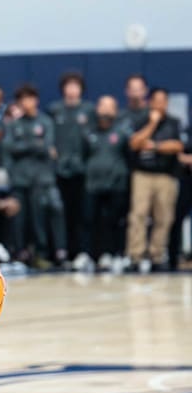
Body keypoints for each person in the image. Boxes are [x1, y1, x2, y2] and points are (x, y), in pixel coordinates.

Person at [4, 84, 67, 267]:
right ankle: (20, 254)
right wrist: (33, 145)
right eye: (22, 99)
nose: (26, 103)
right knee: (19, 219)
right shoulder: (14, 124)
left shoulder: (45, 121)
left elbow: (46, 147)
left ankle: (43, 253)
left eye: (29, 98)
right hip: (20, 179)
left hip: (41, 179)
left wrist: (24, 146)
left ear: (36, 100)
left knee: (41, 218)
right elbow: (9, 148)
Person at [125, 88, 183, 273]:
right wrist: (151, 124)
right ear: (150, 102)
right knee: (138, 215)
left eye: (163, 101)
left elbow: (177, 146)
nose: (159, 104)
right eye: (156, 100)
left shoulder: (174, 122)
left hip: (166, 175)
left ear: (167, 103)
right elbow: (135, 143)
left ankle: (157, 256)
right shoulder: (140, 120)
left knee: (163, 218)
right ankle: (136, 256)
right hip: (142, 174)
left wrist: (155, 146)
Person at [47, 71, 94, 270]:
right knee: (60, 213)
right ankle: (62, 251)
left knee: (82, 213)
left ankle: (83, 252)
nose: (72, 90)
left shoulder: (89, 110)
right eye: (69, 85)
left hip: (82, 171)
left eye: (76, 86)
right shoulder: (55, 110)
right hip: (59, 171)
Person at [84, 96, 128, 272]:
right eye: (102, 106)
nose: (105, 111)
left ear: (116, 111)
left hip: (116, 185)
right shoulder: (89, 132)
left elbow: (128, 155)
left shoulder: (122, 132)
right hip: (93, 184)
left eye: (110, 107)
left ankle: (115, 254)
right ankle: (91, 255)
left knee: (114, 221)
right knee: (90, 221)